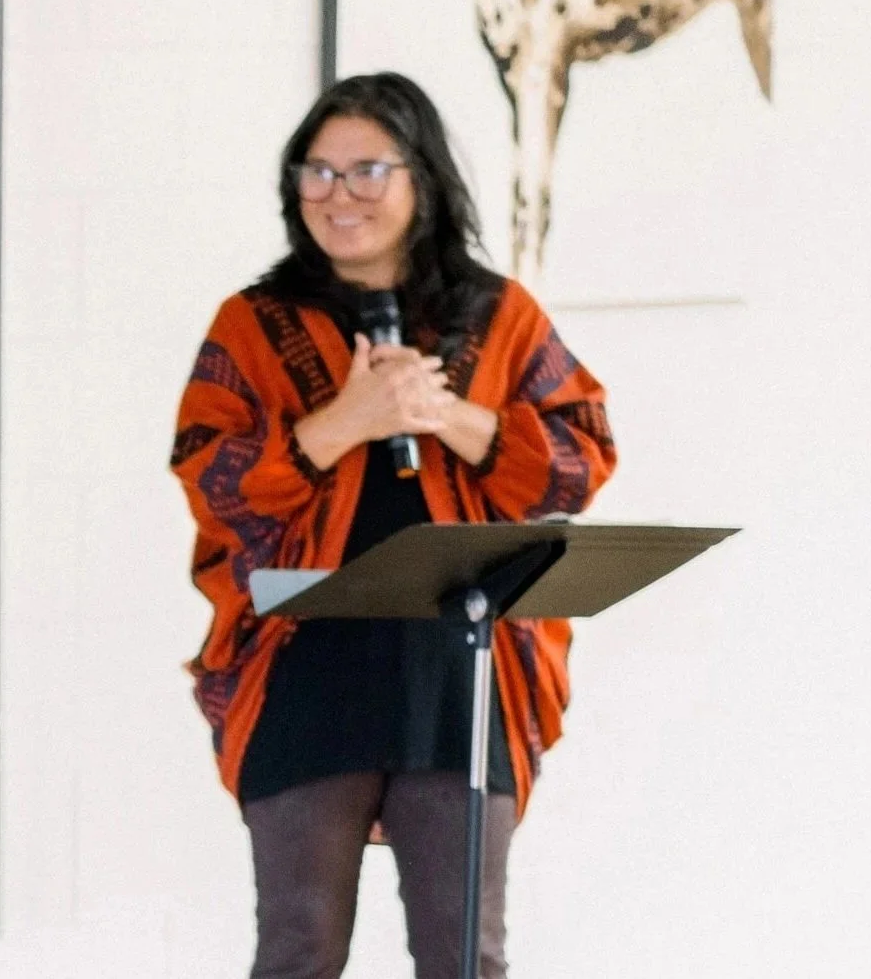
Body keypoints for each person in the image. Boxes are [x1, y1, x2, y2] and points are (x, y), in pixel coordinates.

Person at [170, 73, 616, 979]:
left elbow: (580, 458)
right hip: (304, 667)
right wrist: (347, 421)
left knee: (466, 955)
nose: (340, 195)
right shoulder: (252, 324)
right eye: (317, 172)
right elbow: (211, 480)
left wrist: (443, 413)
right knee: (299, 950)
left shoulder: (500, 316)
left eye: (368, 170)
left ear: (424, 179)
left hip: (459, 674)